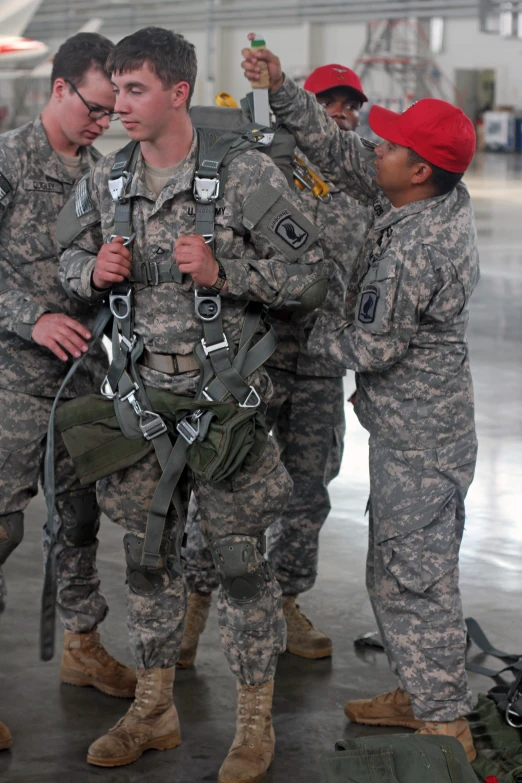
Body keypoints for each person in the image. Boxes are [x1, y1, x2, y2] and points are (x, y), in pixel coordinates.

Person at [57, 27, 331, 782]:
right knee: (146, 560)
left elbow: (311, 276)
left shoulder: (242, 178)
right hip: (143, 402)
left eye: (135, 88)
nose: (119, 104)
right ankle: (153, 707)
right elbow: (65, 256)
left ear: (179, 92)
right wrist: (93, 268)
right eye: (115, 87)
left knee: (242, 567)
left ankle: (251, 723)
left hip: (224, 409)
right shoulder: (108, 180)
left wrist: (224, 269)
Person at [242, 36, 479, 762]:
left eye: (393, 145)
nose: (375, 146)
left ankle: (444, 725)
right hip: (415, 430)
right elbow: (339, 154)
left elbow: (369, 347)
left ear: (419, 170)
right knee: (400, 562)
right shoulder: (423, 198)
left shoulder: (414, 249)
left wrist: (290, 334)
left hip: (422, 439)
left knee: (414, 575)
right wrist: (284, 90)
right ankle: (420, 685)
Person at [180, 63, 372, 666]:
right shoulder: (262, 166)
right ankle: (195, 599)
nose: (341, 114)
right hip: (255, 351)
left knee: (308, 489)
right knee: (225, 477)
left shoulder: (361, 178)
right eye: (329, 103)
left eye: (350, 106)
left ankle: (287, 597)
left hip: (321, 359)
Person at [0, 33, 137, 749]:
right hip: (9, 377)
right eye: (94, 107)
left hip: (81, 374)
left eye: (113, 112)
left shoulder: (102, 175)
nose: (102, 122)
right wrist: (33, 316)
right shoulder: (8, 161)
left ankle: (83, 646)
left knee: (80, 517)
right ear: (58, 89)